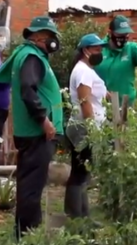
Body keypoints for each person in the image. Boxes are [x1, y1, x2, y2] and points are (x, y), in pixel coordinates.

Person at [0, 16, 62, 239]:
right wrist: (44, 121)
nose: (54, 41)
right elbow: (28, 91)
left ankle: (21, 235)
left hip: (32, 133)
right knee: (32, 189)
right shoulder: (31, 57)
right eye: (51, 37)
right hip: (37, 133)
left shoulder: (26, 55)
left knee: (29, 185)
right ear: (38, 37)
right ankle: (28, 236)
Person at [64, 33, 107, 221]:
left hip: (83, 125)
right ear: (86, 50)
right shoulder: (83, 71)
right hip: (84, 127)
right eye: (97, 49)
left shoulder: (86, 69)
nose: (100, 52)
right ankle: (76, 218)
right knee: (80, 172)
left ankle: (83, 216)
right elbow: (84, 100)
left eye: (101, 49)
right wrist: (91, 128)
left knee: (82, 172)